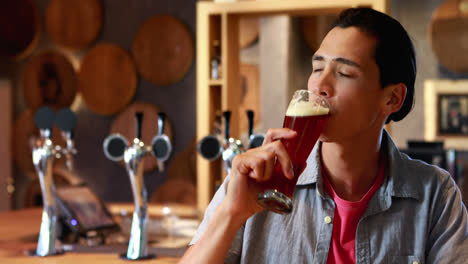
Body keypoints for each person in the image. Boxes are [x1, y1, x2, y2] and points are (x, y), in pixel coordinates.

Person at [180, 7, 468, 263]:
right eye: (317, 68)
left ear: (392, 99)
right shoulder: (255, 181)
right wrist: (231, 215)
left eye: (344, 72)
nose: (320, 85)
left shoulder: (435, 195)